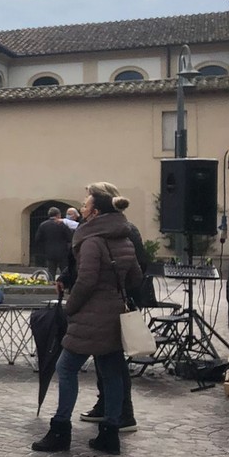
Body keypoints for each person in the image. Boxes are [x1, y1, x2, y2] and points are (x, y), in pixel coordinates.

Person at [33, 184, 142, 455]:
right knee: (112, 372)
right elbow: (136, 278)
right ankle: (110, 433)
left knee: (66, 367)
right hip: (115, 314)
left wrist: (71, 307)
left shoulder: (93, 240)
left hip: (90, 316)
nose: (82, 208)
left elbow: (87, 280)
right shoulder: (124, 237)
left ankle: (60, 429)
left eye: (85, 205)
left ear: (94, 211)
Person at [78, 181, 148, 433]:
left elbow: (137, 268)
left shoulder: (125, 230)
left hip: (115, 303)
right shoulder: (98, 229)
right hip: (106, 302)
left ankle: (121, 412)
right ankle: (107, 405)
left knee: (113, 361)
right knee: (105, 358)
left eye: (87, 200)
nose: (83, 205)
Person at [33, 207, 73, 281]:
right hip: (62, 252)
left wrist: (44, 246)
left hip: (49, 252)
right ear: (58, 215)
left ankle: (51, 286)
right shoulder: (62, 225)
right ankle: (64, 286)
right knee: (64, 271)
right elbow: (70, 238)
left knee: (51, 272)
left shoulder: (43, 225)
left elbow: (37, 239)